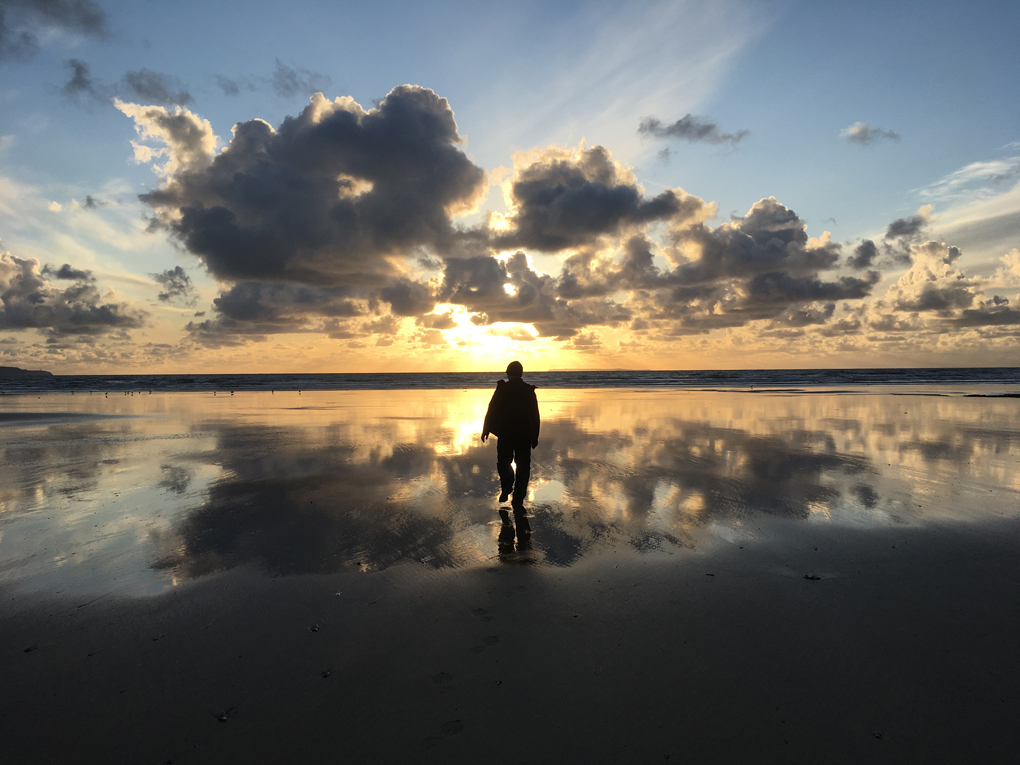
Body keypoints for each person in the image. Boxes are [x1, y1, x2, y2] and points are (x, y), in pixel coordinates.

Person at [481, 360, 540, 534]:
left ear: (508, 373)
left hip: (505, 434)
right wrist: (535, 436)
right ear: (521, 373)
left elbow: (491, 410)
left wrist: (486, 429)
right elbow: (535, 415)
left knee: (503, 462)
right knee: (523, 467)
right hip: (524, 435)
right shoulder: (529, 391)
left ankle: (507, 486)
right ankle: (518, 498)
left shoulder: (502, 389)